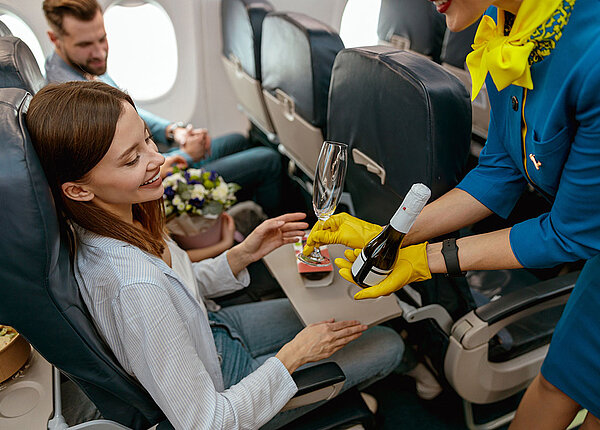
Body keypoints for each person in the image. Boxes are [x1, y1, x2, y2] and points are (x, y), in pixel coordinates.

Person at [26, 80, 405, 429]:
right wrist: (294, 357)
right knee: (389, 344)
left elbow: (175, 286)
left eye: (146, 140)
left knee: (342, 312)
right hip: (220, 385)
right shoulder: (133, 288)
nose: (156, 159)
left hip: (212, 332)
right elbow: (207, 422)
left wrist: (242, 253)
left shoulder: (110, 221)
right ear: (78, 190)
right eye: (131, 160)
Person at [305, 0, 600, 428]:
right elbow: (501, 168)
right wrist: (392, 235)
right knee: (557, 384)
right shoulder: (504, 30)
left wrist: (426, 260)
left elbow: (567, 233)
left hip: (586, 235)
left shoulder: (591, 49)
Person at [42, 0, 284, 215]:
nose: (99, 52)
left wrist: (174, 131)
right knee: (268, 160)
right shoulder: (71, 102)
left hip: (153, 163)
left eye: (102, 38)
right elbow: (122, 169)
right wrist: (185, 155)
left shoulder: (84, 67)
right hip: (148, 184)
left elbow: (128, 111)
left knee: (238, 141)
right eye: (85, 44)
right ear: (55, 39)